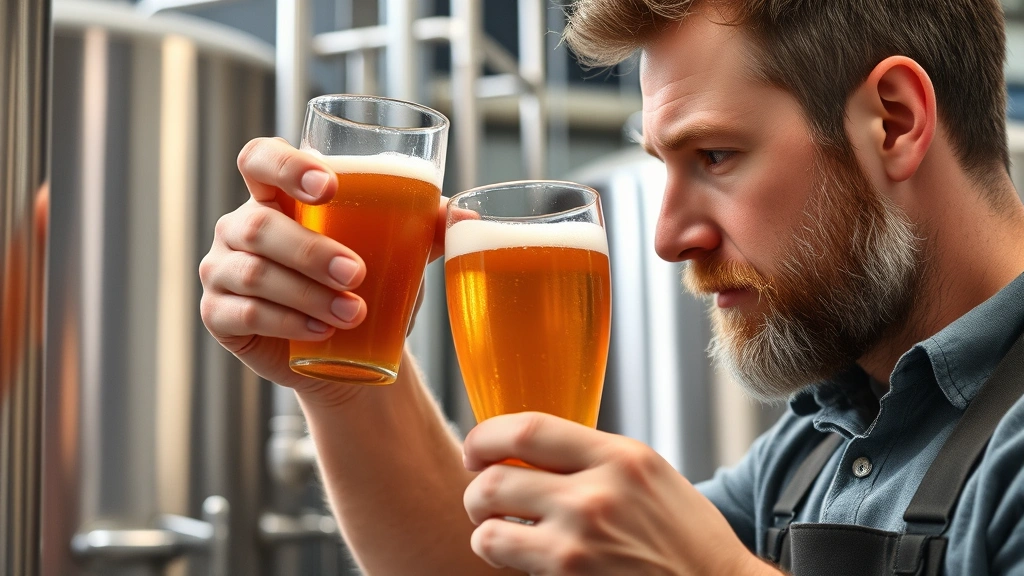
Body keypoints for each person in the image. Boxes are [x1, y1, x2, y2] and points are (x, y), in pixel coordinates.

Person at [199, 0, 1024, 573]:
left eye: (715, 157)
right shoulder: (821, 446)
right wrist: (344, 380)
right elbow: (494, 570)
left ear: (895, 120)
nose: (667, 239)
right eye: (660, 164)